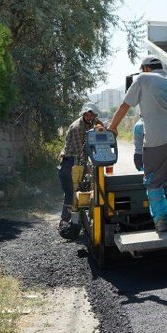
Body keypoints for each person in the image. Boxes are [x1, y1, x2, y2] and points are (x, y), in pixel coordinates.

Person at [108, 56, 167, 233]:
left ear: (145, 68)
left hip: (157, 141)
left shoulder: (143, 79)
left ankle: (161, 221)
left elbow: (125, 105)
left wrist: (113, 127)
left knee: (154, 182)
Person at [57, 102, 102, 239]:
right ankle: (65, 225)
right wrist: (90, 170)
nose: (89, 117)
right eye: (87, 115)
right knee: (71, 195)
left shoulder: (91, 124)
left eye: (92, 115)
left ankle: (77, 222)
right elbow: (80, 153)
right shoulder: (78, 128)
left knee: (80, 192)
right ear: (83, 114)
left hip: (77, 163)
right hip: (70, 163)